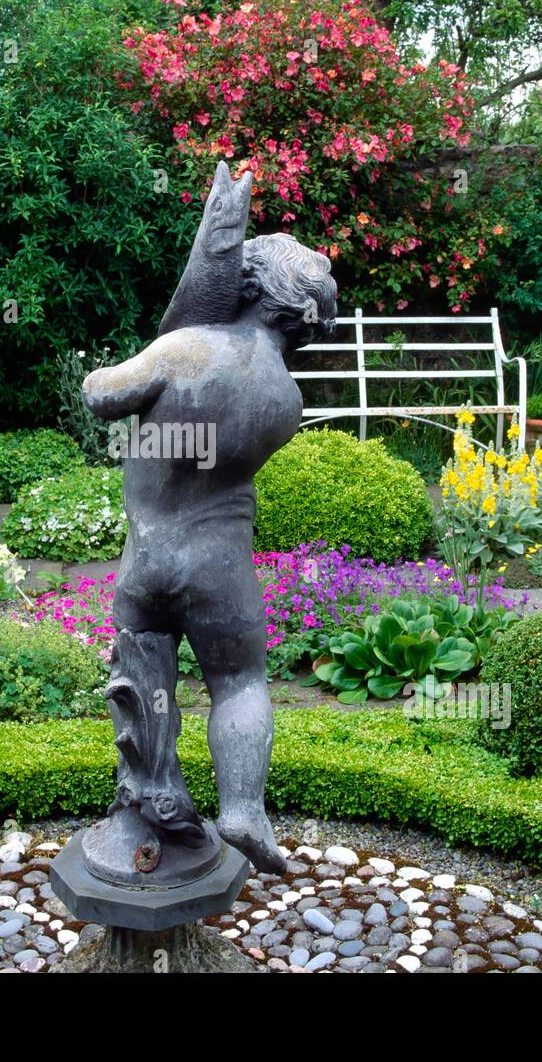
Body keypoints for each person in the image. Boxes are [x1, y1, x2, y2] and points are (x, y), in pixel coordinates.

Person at [83, 174, 337, 873]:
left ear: (247, 284)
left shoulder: (187, 348)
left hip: (149, 554)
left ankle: (149, 799)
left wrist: (161, 341)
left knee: (144, 667)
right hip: (222, 560)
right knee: (241, 681)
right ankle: (244, 810)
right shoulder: (287, 398)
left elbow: (100, 396)